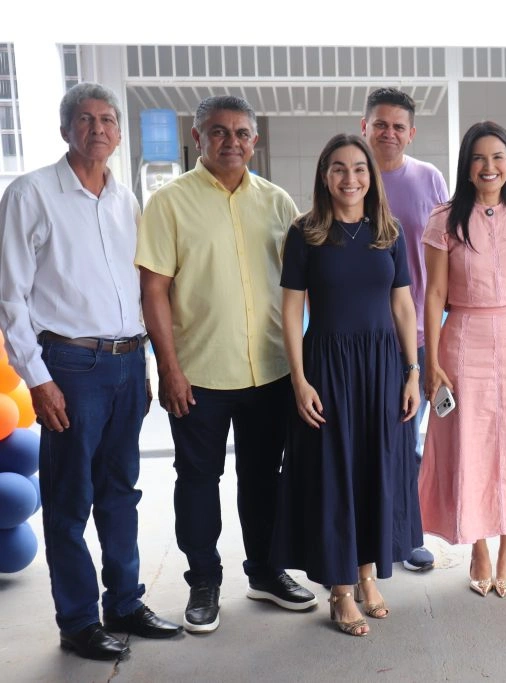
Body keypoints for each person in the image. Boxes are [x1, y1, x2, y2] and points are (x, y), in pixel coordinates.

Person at [0, 82, 181, 661]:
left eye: (107, 119)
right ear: (65, 129)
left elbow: (135, 289)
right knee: (70, 498)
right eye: (85, 118)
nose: (97, 128)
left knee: (120, 493)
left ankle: (124, 603)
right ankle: (78, 621)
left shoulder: (126, 200)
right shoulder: (30, 194)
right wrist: (38, 379)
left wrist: (144, 363)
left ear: (119, 134)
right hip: (70, 367)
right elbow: (10, 297)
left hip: (127, 362)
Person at [136, 95, 316, 634]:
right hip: (199, 375)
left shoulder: (278, 203)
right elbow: (154, 290)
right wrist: (168, 368)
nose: (231, 142)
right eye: (218, 131)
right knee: (197, 480)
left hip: (270, 369)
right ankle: (203, 581)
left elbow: (299, 286)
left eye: (241, 133)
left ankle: (264, 572)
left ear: (254, 142)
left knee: (262, 478)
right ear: (198, 138)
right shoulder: (169, 202)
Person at [270, 134, 420, 637]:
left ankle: (367, 575)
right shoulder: (305, 232)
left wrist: (412, 371)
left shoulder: (388, 232)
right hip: (328, 365)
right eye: (338, 168)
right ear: (324, 176)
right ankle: (339, 589)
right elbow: (291, 309)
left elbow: (403, 305)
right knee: (334, 471)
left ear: (371, 177)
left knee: (374, 466)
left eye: (359, 168)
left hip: (382, 366)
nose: (350, 178)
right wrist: (299, 379)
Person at [419, 121, 506, 598]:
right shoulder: (444, 219)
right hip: (463, 338)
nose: (489, 166)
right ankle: (477, 545)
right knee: (470, 442)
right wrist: (430, 359)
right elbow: (434, 292)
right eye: (479, 158)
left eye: (498, 157)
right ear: (467, 166)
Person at [361, 87, 449, 572]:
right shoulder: (351, 178)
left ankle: (405, 533)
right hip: (359, 336)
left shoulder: (429, 179)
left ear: (411, 133)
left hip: (416, 336)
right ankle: (366, 537)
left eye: (398, 126)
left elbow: (448, 253)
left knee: (409, 441)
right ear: (365, 127)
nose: (389, 133)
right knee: (366, 442)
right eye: (380, 124)